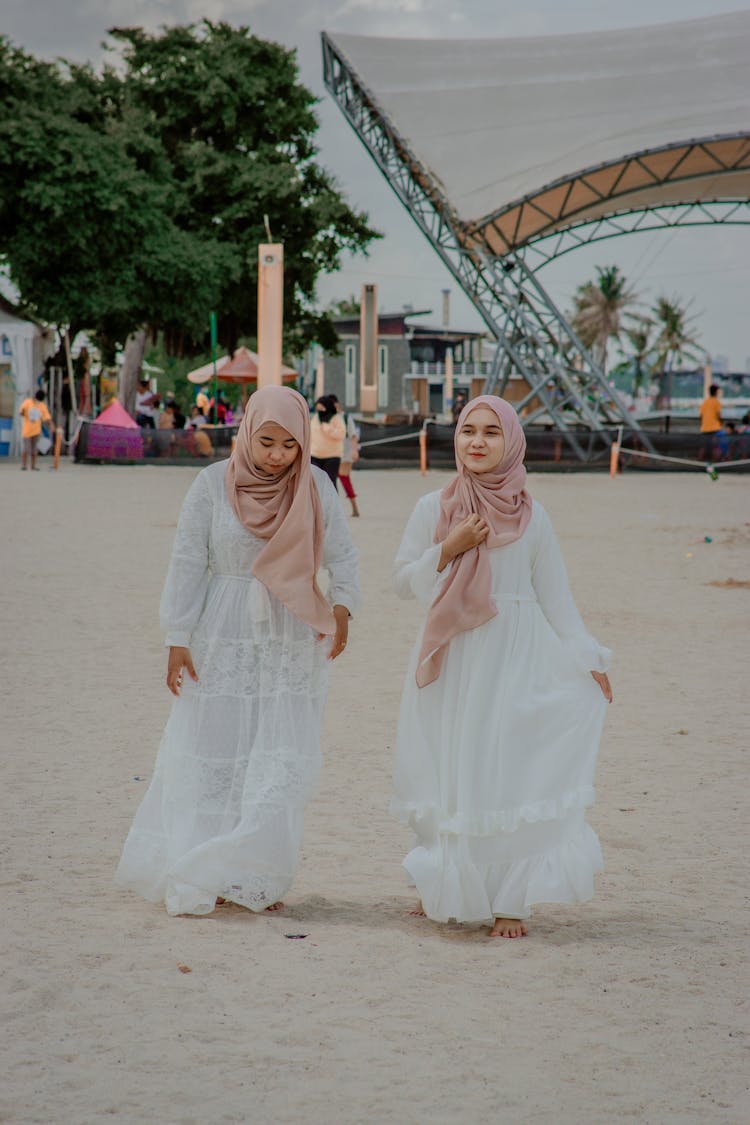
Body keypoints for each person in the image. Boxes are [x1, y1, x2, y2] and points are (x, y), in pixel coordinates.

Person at [116, 386, 361, 916]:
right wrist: (176, 638)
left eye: (290, 445)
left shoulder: (316, 485)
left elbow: (343, 554)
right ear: (247, 432)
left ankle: (255, 876)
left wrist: (342, 607)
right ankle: (203, 865)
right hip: (221, 631)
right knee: (216, 749)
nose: (277, 455)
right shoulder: (210, 484)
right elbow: (188, 561)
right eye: (267, 441)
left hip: (291, 634)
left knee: (273, 756)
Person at [391, 396, 612, 940]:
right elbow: (401, 582)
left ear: (511, 442)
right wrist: (449, 546)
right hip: (452, 656)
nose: (477, 442)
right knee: (450, 769)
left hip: (516, 656)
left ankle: (510, 900)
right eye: (468, 431)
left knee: (508, 770)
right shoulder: (432, 507)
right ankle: (446, 881)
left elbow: (557, 600)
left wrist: (589, 658)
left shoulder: (534, 517)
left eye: (491, 432)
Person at [329, 394, 360, 517]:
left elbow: (353, 435)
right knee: (331, 480)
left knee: (344, 478)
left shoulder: (346, 418)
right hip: (331, 453)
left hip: (346, 454)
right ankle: (334, 509)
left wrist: (354, 450)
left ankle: (354, 507)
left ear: (337, 404)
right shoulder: (328, 418)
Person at [310, 395, 345, 487]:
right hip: (315, 455)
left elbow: (341, 434)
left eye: (322, 407)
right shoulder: (315, 418)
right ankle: (317, 501)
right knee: (315, 482)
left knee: (330, 482)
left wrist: (328, 428)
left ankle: (331, 501)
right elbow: (311, 433)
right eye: (318, 408)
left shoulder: (336, 418)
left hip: (332, 456)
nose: (320, 410)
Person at [19, 389, 53, 470]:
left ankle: (33, 465)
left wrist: (51, 425)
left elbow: (47, 417)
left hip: (36, 431)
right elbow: (21, 412)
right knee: (26, 448)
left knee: (34, 449)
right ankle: (24, 465)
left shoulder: (42, 405)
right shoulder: (27, 402)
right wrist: (23, 412)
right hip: (27, 430)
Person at [699, 384, 722, 461]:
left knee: (704, 446)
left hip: (705, 428)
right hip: (715, 428)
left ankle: (700, 460)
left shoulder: (705, 402)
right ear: (716, 392)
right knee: (715, 446)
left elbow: (701, 416)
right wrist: (721, 422)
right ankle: (715, 461)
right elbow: (718, 415)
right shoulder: (716, 402)